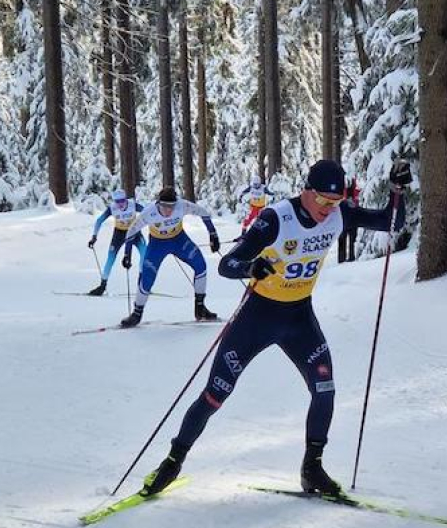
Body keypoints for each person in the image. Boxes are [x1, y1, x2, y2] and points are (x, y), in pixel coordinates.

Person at [138, 159, 412, 498]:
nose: (329, 210)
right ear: (306, 191)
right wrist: (254, 266)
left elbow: (392, 221)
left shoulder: (340, 213)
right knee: (215, 394)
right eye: (324, 201)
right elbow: (227, 264)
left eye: (336, 202)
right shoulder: (276, 219)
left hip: (299, 318)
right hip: (258, 317)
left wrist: (398, 191)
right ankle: (172, 461)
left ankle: (312, 467)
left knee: (324, 388)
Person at [120, 188, 222, 327]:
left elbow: (203, 212)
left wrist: (213, 235)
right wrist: (127, 254)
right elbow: (132, 230)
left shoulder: (182, 206)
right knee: (147, 277)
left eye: (172, 206)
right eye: (164, 206)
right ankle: (137, 314)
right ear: (158, 204)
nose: (169, 210)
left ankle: (200, 308)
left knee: (201, 265)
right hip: (157, 244)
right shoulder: (149, 212)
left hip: (179, 240)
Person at [87, 189, 148, 296]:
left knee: (144, 253)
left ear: (125, 200)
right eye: (117, 201)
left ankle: (142, 283)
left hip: (134, 232)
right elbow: (99, 220)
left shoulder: (133, 205)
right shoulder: (112, 208)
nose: (120, 204)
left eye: (122, 201)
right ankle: (102, 285)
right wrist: (94, 236)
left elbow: (148, 212)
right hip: (119, 234)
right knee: (110, 258)